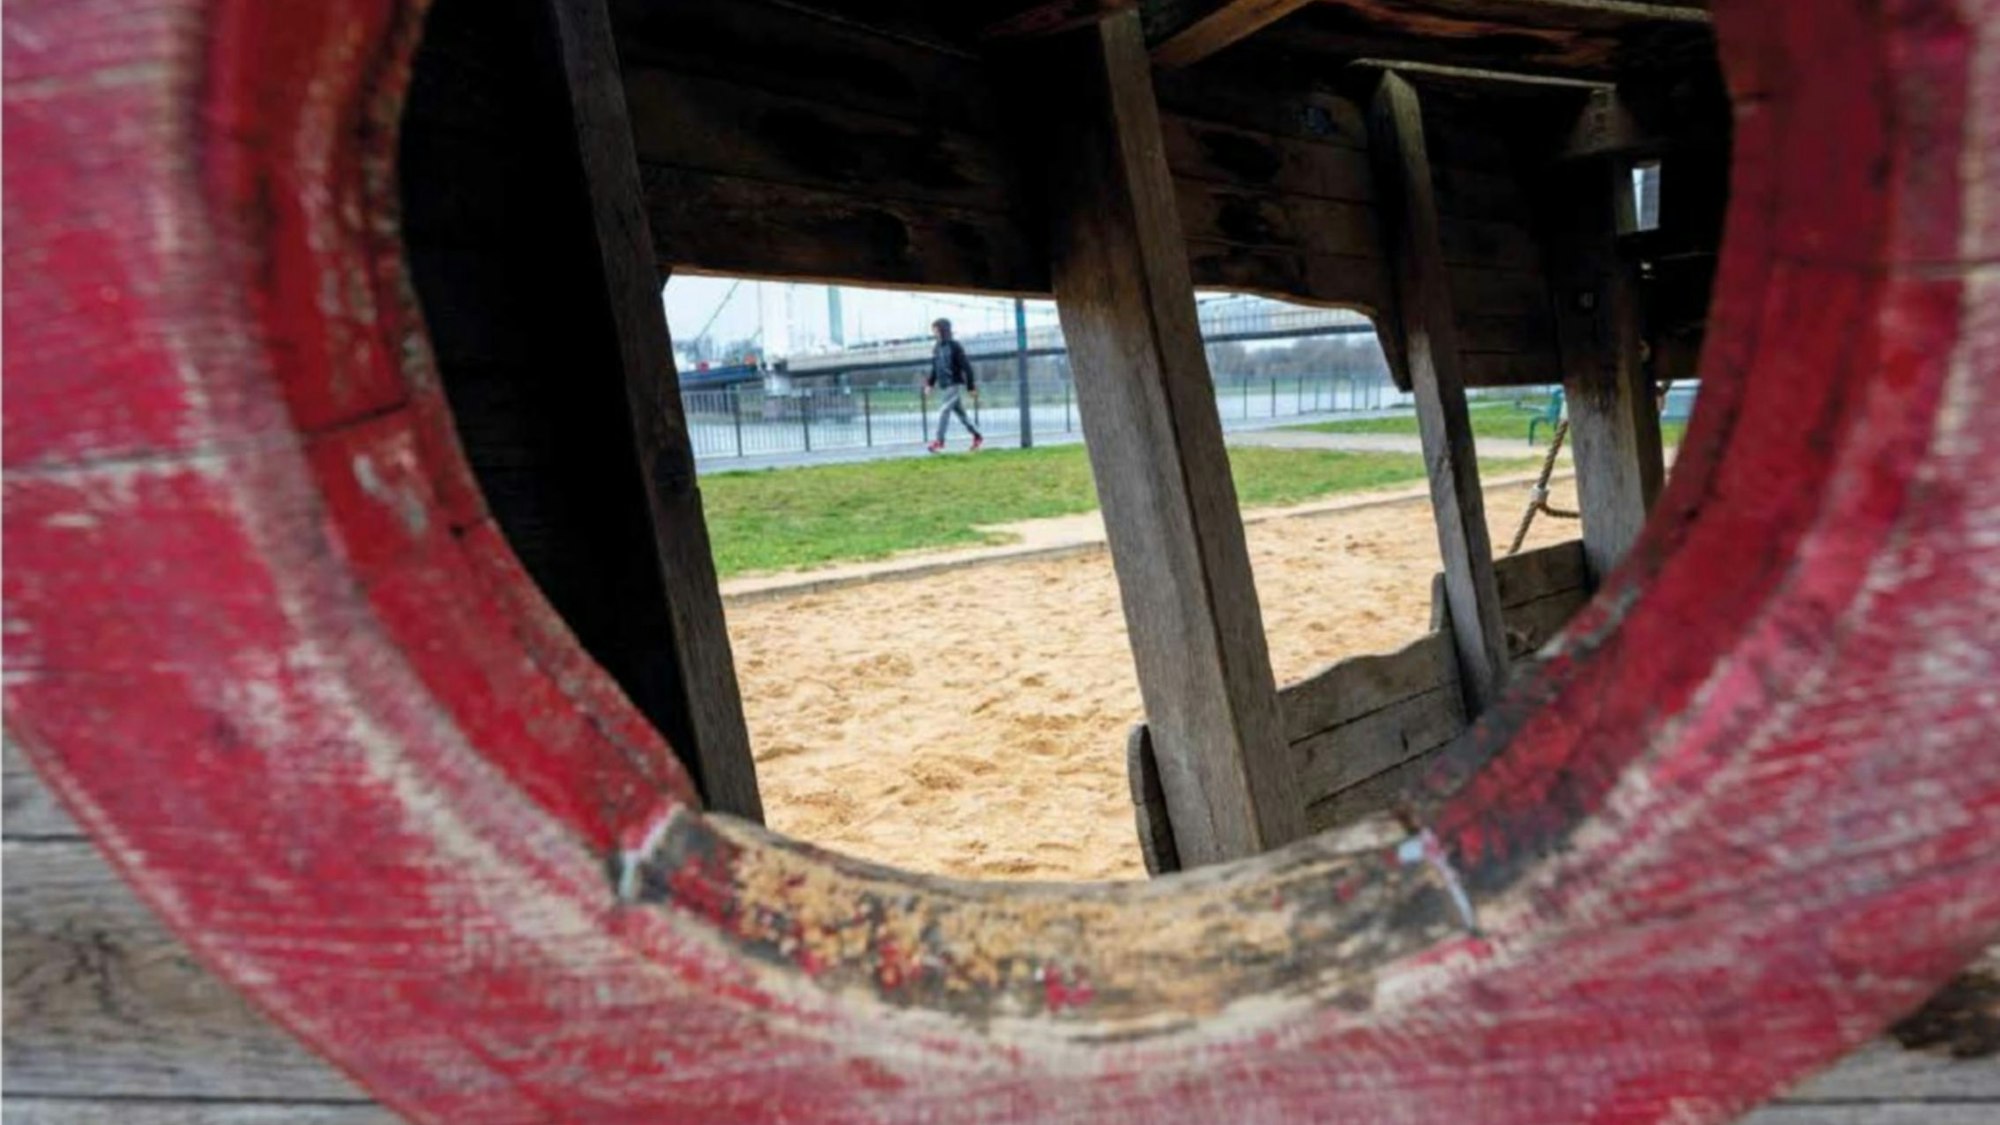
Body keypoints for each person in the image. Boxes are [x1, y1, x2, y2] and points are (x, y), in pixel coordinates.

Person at [925, 318, 983, 453]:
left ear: (943, 330)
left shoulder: (955, 346)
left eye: (936, 329)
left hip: (954, 384)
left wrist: (971, 387)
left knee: (944, 410)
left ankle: (939, 442)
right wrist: (929, 384)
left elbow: (967, 367)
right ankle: (977, 436)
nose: (934, 332)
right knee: (962, 415)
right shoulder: (936, 347)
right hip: (944, 386)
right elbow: (935, 368)